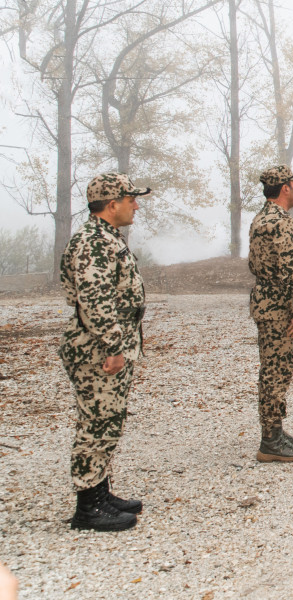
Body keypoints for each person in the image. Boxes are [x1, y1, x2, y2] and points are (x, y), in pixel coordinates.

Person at [60, 172, 151, 531]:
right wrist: (113, 346)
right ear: (112, 204)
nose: (136, 205)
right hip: (97, 347)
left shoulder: (106, 237)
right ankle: (87, 507)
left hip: (111, 342)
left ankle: (99, 491)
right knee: (96, 423)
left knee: (108, 421)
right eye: (131, 200)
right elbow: (95, 299)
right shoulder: (92, 242)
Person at [248, 166, 293, 461]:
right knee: (276, 373)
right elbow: (292, 272)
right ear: (284, 188)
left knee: (273, 371)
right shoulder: (281, 223)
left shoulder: (261, 218)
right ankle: (270, 442)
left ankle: (275, 430)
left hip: (267, 304)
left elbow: (253, 264)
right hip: (280, 310)